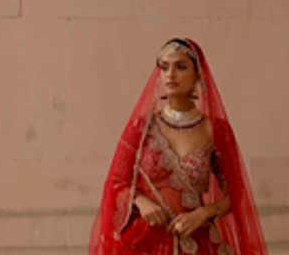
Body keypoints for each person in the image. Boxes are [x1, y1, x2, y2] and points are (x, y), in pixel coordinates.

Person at [89, 38, 268, 254]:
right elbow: (116, 182)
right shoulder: (141, 129)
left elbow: (236, 194)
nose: (170, 74)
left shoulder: (216, 131)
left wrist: (203, 214)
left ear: (198, 75)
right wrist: (140, 201)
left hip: (198, 242)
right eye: (164, 67)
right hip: (147, 243)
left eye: (181, 67)